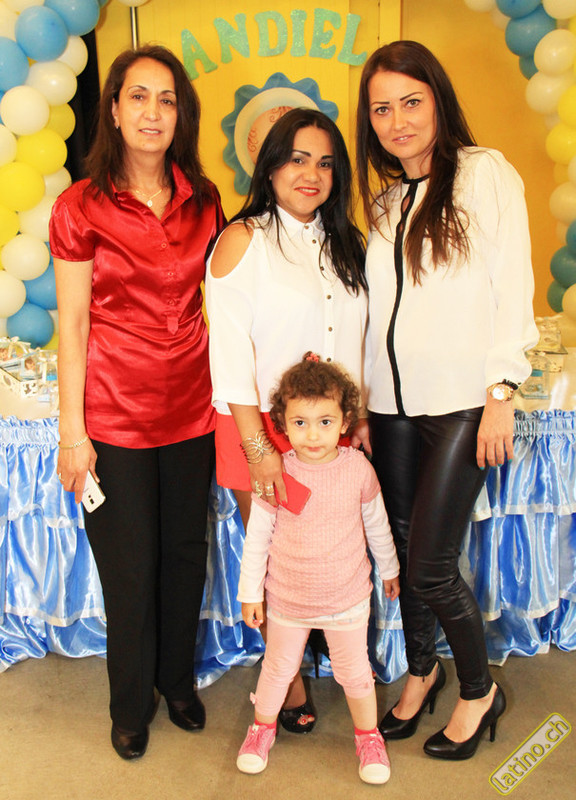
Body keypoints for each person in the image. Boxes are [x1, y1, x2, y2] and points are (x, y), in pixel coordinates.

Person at [355, 40, 539, 760]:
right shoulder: (384, 203)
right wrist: (363, 404)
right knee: (405, 553)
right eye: (381, 109)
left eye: (411, 102)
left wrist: (501, 391)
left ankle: (478, 690)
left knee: (432, 562)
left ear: (438, 101)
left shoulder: (484, 173)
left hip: (462, 403)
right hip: (391, 409)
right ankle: (420, 670)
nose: (397, 121)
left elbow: (511, 285)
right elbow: (377, 311)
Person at [49, 44, 225, 760]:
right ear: (115, 111)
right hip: (115, 416)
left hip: (192, 407)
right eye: (139, 97)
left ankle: (177, 683)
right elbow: (73, 325)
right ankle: (130, 703)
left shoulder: (204, 199)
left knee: (185, 556)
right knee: (130, 569)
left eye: (167, 99)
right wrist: (73, 433)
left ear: (181, 115)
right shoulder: (79, 206)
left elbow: (229, 303)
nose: (154, 112)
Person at [205, 107, 368, 732]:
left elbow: (355, 340)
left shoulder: (344, 242)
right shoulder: (243, 239)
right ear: (270, 166)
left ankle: (331, 658)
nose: (311, 174)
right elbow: (229, 357)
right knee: (278, 562)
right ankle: (288, 680)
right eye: (297, 159)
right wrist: (259, 450)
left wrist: (359, 422)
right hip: (261, 431)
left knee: (327, 554)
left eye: (324, 163)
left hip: (331, 432)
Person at [235, 354, 400, 783]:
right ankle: (261, 729)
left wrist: (389, 568)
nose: (313, 435)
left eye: (325, 422)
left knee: (356, 674)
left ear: (344, 421)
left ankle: (368, 737)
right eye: (300, 423)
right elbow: (257, 539)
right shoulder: (278, 473)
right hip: (288, 600)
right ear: (283, 424)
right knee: (277, 669)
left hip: (347, 599)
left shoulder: (358, 469)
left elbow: (377, 525)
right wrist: (250, 593)